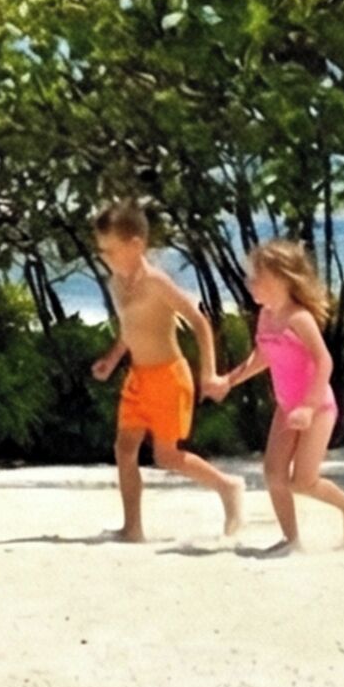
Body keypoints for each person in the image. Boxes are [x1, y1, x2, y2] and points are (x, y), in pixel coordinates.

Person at [84, 201, 241, 543]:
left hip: (170, 377)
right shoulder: (116, 284)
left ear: (136, 244)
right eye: (102, 251)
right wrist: (112, 360)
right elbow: (130, 329)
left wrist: (209, 372)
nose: (105, 258)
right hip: (138, 378)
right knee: (124, 448)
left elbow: (199, 323)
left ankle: (227, 487)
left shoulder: (157, 283)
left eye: (110, 251)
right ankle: (132, 528)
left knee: (166, 456)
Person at [213, 236, 344, 554]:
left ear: (281, 278)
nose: (249, 283)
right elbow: (263, 356)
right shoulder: (267, 317)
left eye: (256, 277)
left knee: (303, 481)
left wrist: (308, 406)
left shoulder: (299, 318)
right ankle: (291, 539)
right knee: (273, 474)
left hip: (317, 406)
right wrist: (229, 380)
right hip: (286, 406)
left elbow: (324, 361)